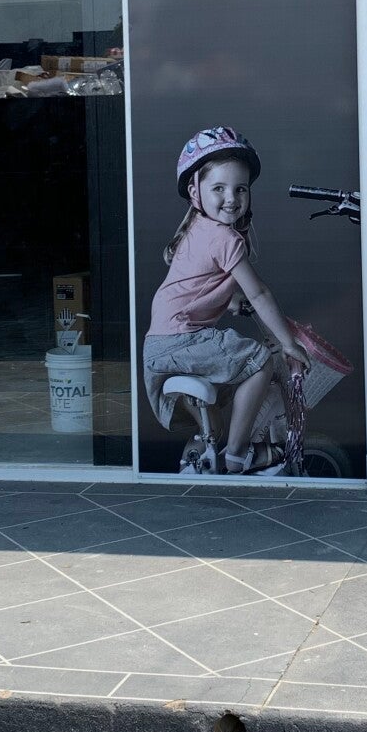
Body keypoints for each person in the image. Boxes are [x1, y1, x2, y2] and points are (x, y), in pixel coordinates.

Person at [143, 127, 309, 474]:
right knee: (261, 361)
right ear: (195, 191)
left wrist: (231, 301)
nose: (231, 198)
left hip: (160, 345)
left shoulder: (195, 228)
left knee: (222, 402)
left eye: (240, 189)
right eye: (218, 188)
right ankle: (238, 454)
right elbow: (260, 292)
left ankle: (207, 456)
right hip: (182, 339)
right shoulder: (225, 238)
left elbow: (197, 284)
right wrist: (288, 343)